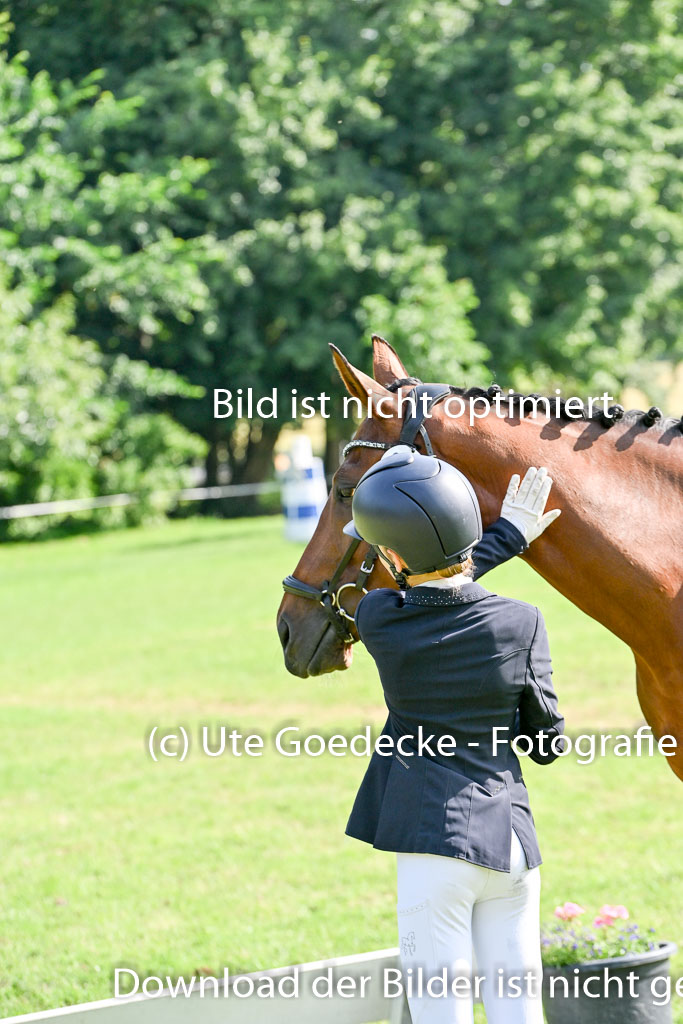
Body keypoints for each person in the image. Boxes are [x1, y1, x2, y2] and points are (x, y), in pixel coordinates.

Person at [343, 445, 565, 1024]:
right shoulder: (523, 622)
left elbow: (430, 593)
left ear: (393, 555)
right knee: (520, 1010)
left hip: (431, 843)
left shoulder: (378, 617)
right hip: (510, 841)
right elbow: (547, 745)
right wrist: (510, 532)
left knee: (440, 1012)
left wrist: (504, 540)